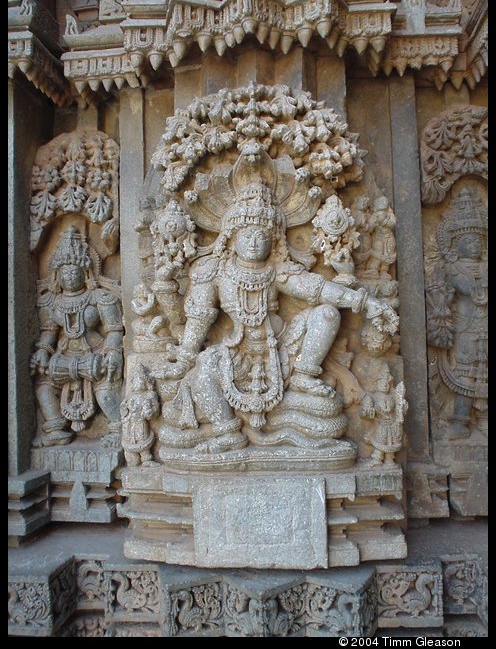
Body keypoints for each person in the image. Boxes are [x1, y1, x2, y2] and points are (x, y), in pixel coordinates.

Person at [157, 179, 398, 454]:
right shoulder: (214, 272)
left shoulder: (277, 270)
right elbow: (198, 323)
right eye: (246, 235)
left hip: (283, 352)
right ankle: (228, 431)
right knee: (202, 376)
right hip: (234, 355)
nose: (253, 243)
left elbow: (318, 289)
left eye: (261, 236)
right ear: (231, 238)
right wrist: (185, 359)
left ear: (273, 241)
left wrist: (365, 303)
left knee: (327, 315)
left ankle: (304, 377)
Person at [30, 226, 123, 447]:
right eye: (65, 273)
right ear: (57, 274)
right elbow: (49, 331)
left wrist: (112, 353)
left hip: (95, 355)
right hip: (64, 357)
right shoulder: (51, 301)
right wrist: (43, 351)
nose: (70, 277)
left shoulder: (100, 298)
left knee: (106, 393)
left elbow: (114, 329)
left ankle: (118, 428)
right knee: (44, 389)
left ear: (86, 272)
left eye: (74, 272)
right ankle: (55, 429)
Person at [427, 187, 487, 439]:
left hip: (482, 323)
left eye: (479, 241)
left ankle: (483, 419)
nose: (475, 245)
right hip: (465, 325)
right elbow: (462, 288)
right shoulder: (452, 268)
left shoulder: (484, 266)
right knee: (466, 371)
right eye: (469, 241)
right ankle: (461, 420)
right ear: (456, 243)